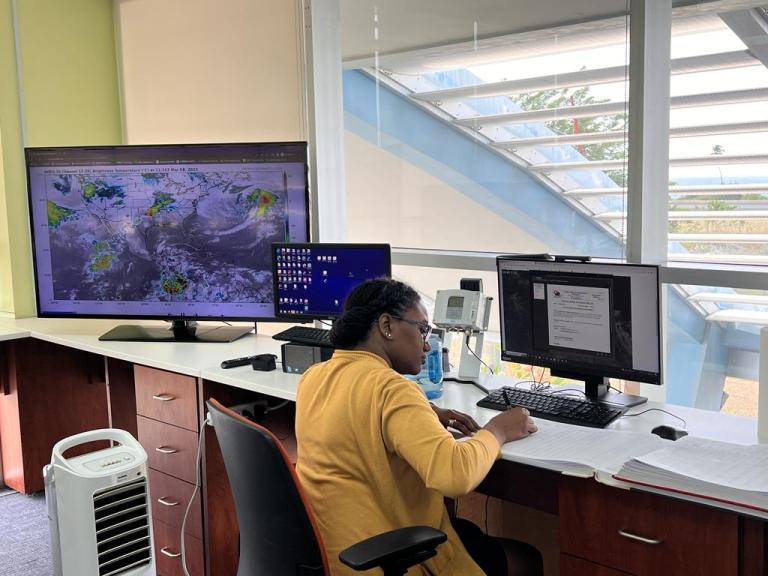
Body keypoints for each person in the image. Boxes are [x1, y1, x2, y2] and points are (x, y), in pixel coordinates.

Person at [295, 278, 543, 576]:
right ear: (386, 326)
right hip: (385, 555)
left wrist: (426, 411)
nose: (426, 344)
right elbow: (454, 475)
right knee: (526, 559)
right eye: (422, 329)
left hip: (333, 553)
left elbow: (356, 413)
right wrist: (499, 430)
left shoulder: (315, 375)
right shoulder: (392, 389)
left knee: (467, 531)